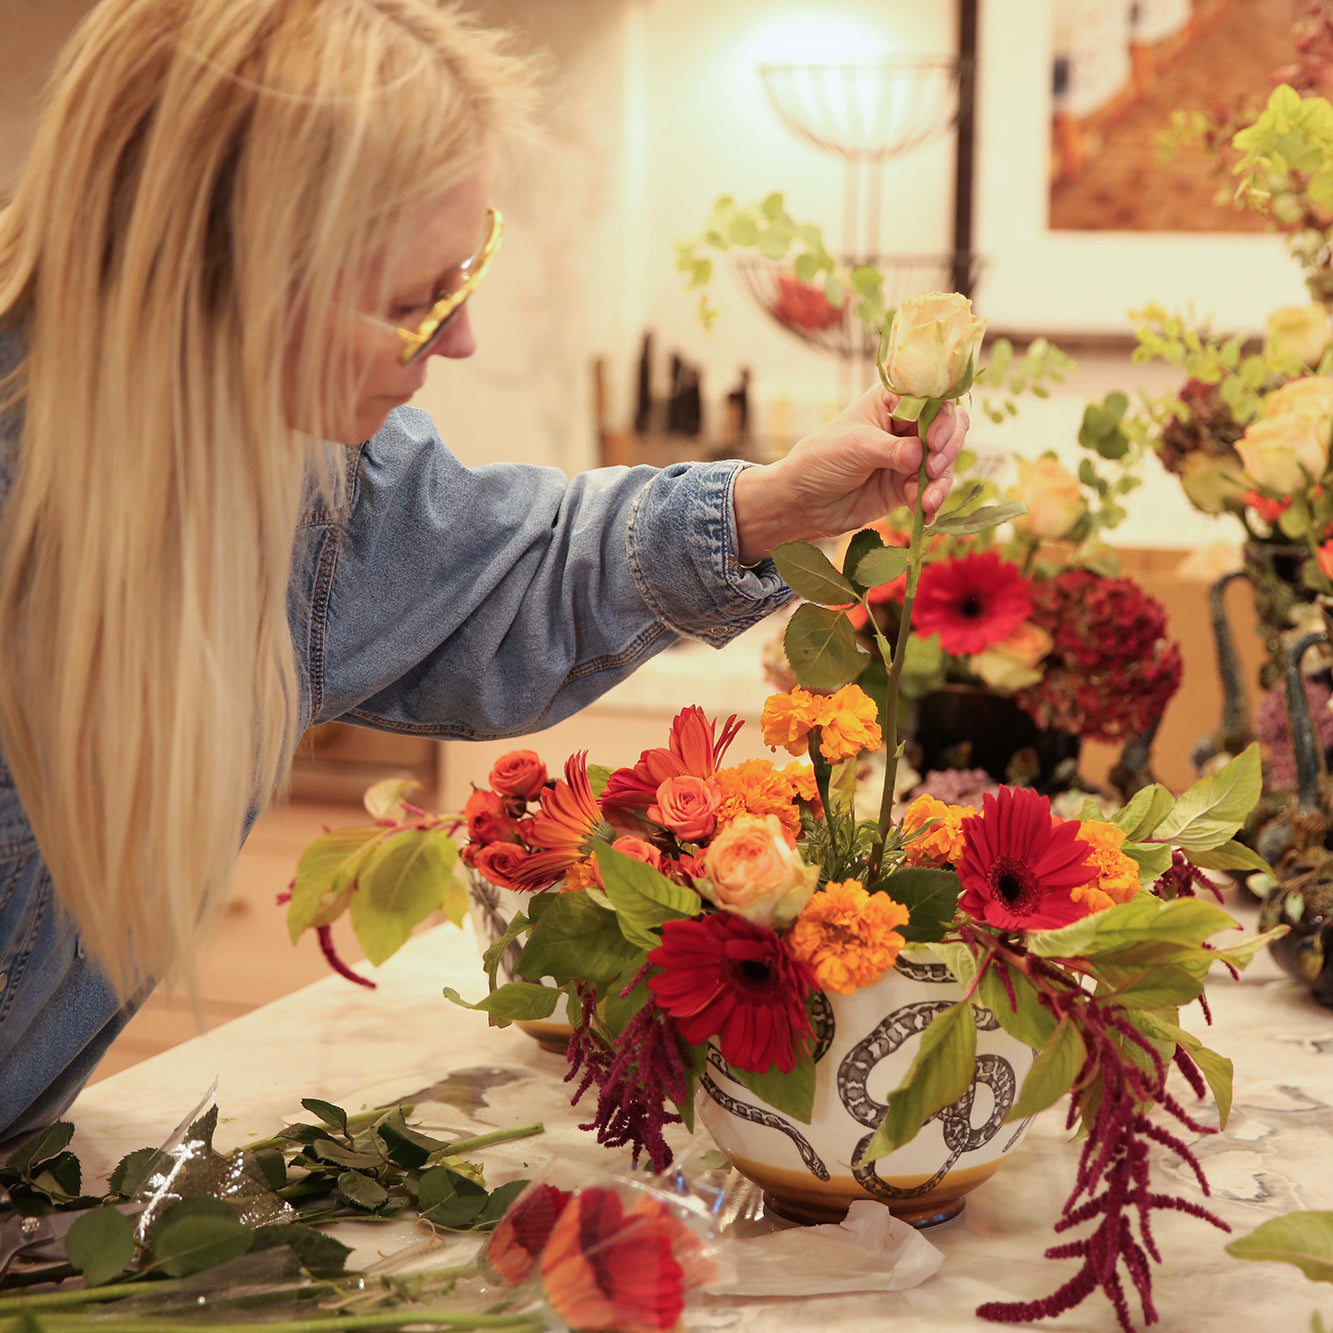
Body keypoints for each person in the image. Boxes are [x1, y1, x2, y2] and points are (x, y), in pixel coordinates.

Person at [0, 0, 966, 1147]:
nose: (455, 343)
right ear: (222, 281)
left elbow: (512, 569)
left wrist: (770, 507)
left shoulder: (312, 471)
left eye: (464, 276)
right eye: (414, 305)